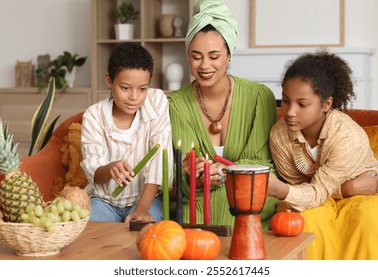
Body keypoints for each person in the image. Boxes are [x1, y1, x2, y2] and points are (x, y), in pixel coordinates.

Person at [168, 0, 279, 228]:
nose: (204, 65)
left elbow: (261, 164)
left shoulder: (259, 97)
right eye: (196, 56)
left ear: (229, 56)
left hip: (246, 197)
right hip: (197, 200)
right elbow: (183, 177)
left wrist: (226, 171)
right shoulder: (176, 104)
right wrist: (195, 177)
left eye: (214, 56)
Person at [268, 49, 378, 259]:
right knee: (306, 220)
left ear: (326, 104)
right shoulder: (279, 135)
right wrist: (344, 189)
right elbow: (304, 191)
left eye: (302, 104)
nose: (290, 112)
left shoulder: (346, 135)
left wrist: (280, 190)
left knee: (369, 220)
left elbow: (312, 191)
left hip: (363, 191)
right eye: (285, 101)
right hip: (318, 193)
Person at [80, 42, 173, 223]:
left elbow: (160, 160)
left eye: (142, 89)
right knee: (90, 227)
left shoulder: (157, 101)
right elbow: (95, 172)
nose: (134, 97)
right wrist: (110, 168)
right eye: (125, 88)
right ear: (109, 80)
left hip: (147, 200)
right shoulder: (94, 115)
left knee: (147, 232)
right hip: (104, 201)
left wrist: (142, 208)